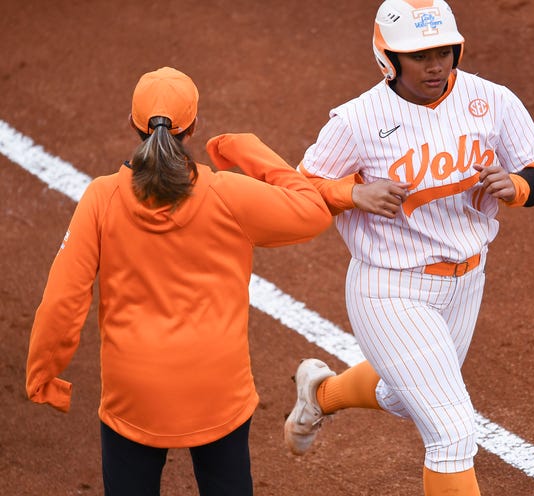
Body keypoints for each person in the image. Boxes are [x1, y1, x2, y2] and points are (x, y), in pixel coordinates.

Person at [283, 1, 534, 494]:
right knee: (452, 433)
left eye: (444, 51)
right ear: (388, 59)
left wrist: (517, 185)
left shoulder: (491, 100)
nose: (435, 65)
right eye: (419, 56)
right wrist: (354, 193)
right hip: (390, 287)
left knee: (403, 397)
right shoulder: (357, 121)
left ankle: (319, 394)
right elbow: (299, 192)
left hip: (466, 282)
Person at [25, 66, 332, 496]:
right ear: (194, 127)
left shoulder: (101, 198)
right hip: (217, 390)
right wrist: (245, 148)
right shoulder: (226, 192)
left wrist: (44, 374)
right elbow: (313, 211)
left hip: (135, 397)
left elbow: (63, 299)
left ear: (133, 125)